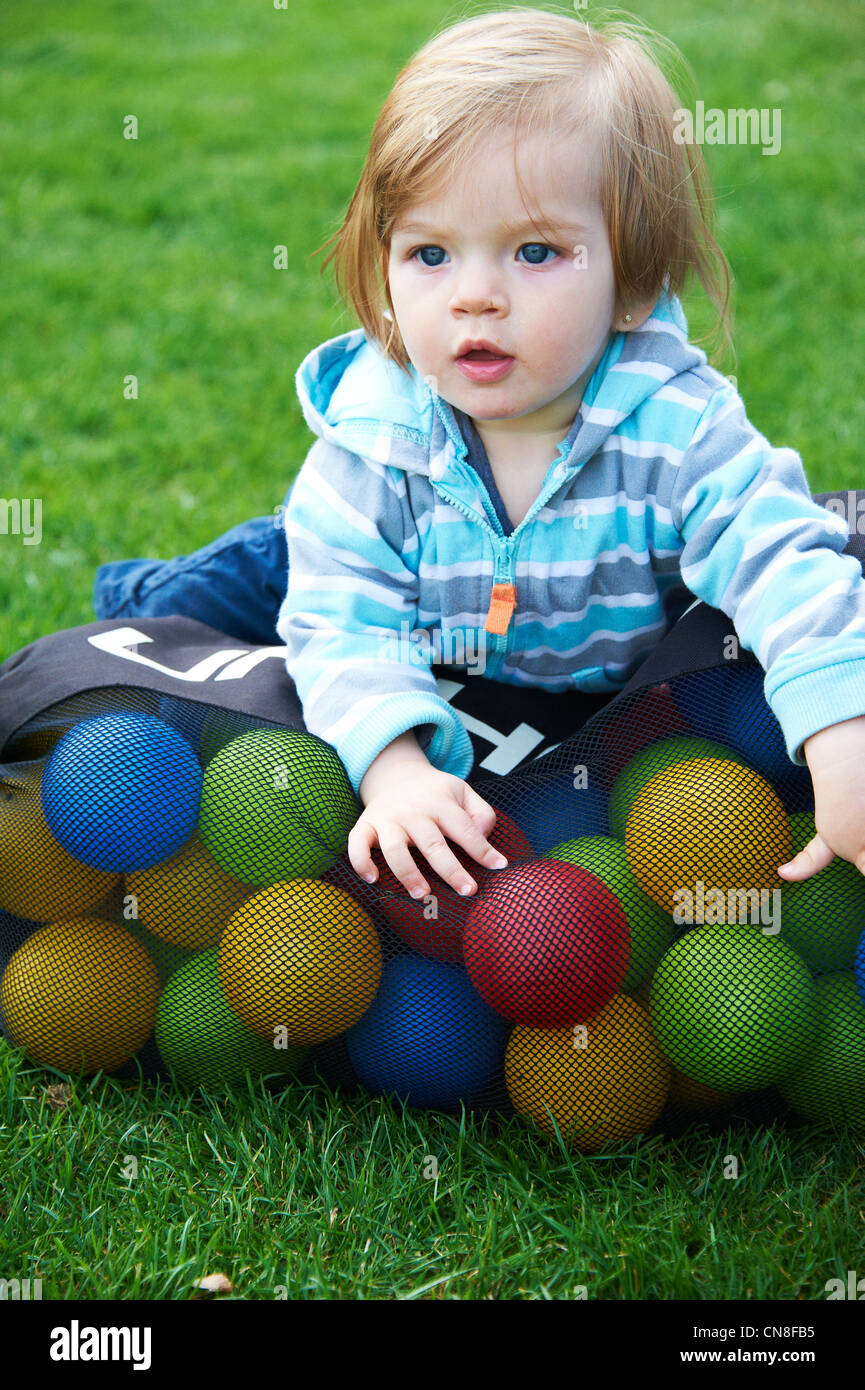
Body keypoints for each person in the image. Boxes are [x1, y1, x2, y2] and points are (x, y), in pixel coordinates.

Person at [94, 8, 865, 903]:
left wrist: (840, 723)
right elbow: (345, 623)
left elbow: (782, 558)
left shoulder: (680, 431)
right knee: (227, 590)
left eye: (535, 251)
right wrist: (394, 770)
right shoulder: (373, 449)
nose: (473, 298)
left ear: (636, 280)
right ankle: (142, 592)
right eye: (429, 253)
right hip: (365, 568)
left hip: (552, 622)